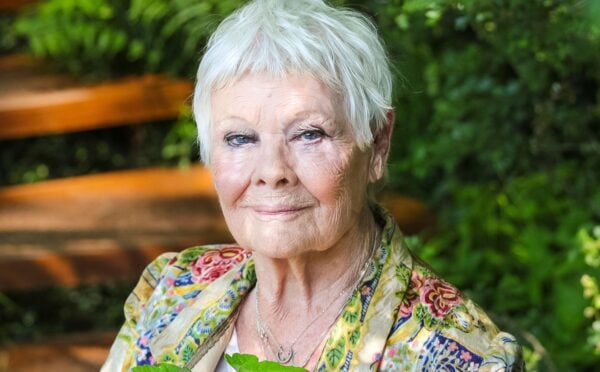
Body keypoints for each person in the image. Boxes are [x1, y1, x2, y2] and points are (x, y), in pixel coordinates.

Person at [102, 0, 523, 370]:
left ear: (377, 142)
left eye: (308, 134)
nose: (272, 171)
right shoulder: (172, 293)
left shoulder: (457, 358)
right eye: (239, 138)